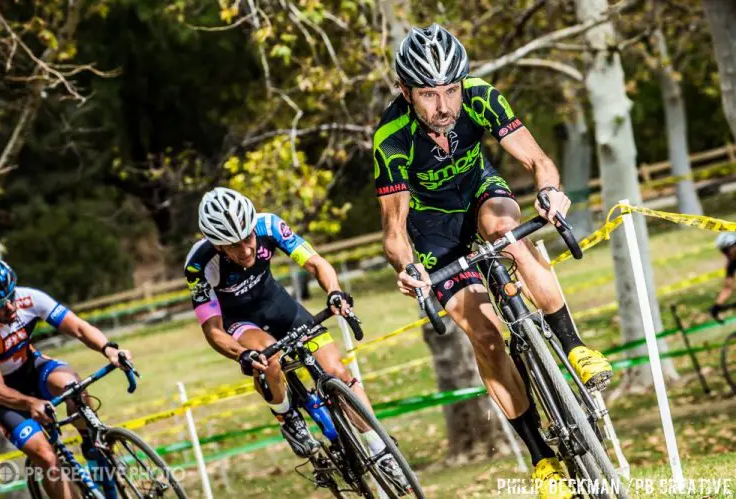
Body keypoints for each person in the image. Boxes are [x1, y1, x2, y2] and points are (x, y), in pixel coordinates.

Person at [374, 24, 614, 498]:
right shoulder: (392, 136)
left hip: (481, 195)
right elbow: (395, 233)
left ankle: (574, 347)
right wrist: (408, 268)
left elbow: (538, 160)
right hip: (432, 232)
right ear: (405, 91)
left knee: (506, 232)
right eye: (428, 94)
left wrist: (550, 191)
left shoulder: (481, 97)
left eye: (450, 90)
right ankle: (541, 457)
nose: (443, 106)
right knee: (484, 337)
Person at [185, 187, 407, 487]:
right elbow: (212, 329)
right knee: (269, 357)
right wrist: (242, 354)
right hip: (240, 322)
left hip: (278, 306)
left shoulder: (269, 226)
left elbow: (316, 262)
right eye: (234, 246)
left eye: (248, 239)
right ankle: (286, 415)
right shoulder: (199, 263)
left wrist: (334, 292)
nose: (246, 250)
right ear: (218, 245)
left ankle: (381, 451)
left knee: (338, 372)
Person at [0, 258, 132, 498]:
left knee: (74, 389)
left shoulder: (28, 299)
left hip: (32, 367)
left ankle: (92, 446)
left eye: (10, 296)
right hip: (3, 397)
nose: (10, 306)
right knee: (45, 455)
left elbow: (78, 327)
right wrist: (30, 403)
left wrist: (110, 349)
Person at [711, 232, 736, 323]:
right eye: (722, 251)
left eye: (726, 250)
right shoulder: (732, 263)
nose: (725, 254)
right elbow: (728, 288)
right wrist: (716, 306)